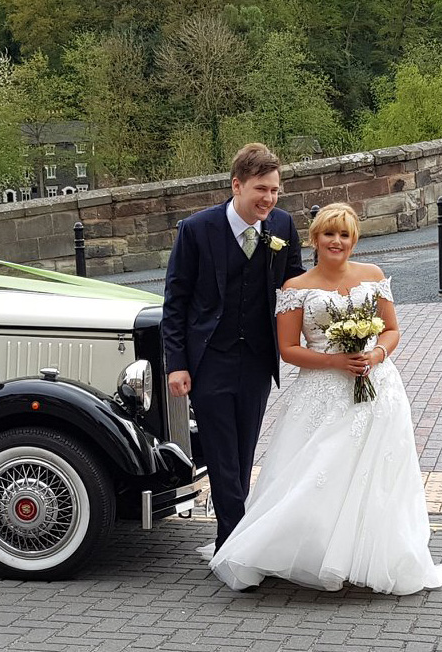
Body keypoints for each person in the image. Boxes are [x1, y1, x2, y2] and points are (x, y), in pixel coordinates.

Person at [209, 203, 442, 594]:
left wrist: (376, 354)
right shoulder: (296, 288)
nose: (337, 241)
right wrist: (334, 360)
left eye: (345, 234)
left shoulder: (373, 276)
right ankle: (306, 554)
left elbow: (391, 330)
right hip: (322, 392)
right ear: (315, 239)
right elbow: (288, 349)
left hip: (378, 389)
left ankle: (367, 556)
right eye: (329, 234)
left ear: (355, 240)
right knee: (317, 473)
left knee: (378, 476)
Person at [161, 143, 305, 552]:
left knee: (243, 454)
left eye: (275, 190)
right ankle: (234, 546)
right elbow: (176, 301)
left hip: (258, 360)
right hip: (210, 361)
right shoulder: (196, 229)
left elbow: (295, 288)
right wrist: (177, 364)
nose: (269, 199)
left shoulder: (282, 226)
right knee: (223, 456)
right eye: (262, 189)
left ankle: (234, 539)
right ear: (236, 185)